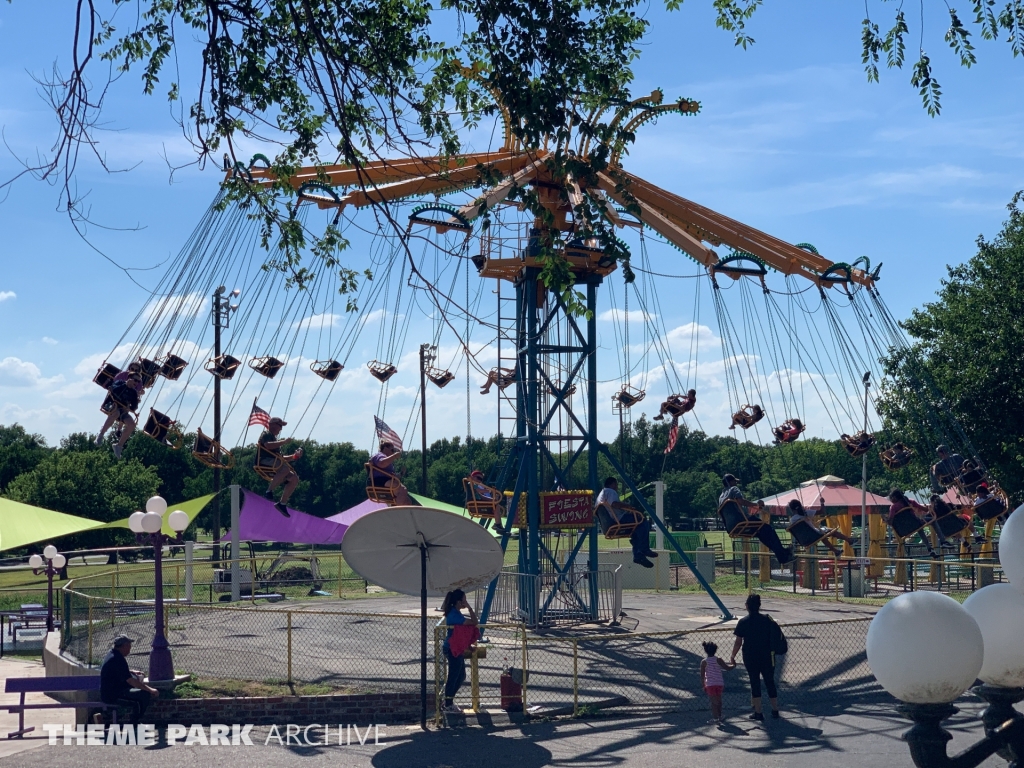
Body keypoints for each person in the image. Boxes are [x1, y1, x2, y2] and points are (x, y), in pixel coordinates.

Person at [719, 474, 794, 565]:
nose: (736, 484)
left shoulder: (721, 497)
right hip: (741, 521)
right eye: (734, 482)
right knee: (769, 529)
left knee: (761, 533)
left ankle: (783, 555)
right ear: (730, 482)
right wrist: (756, 505)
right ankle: (783, 556)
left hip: (731, 527)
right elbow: (740, 501)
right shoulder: (734, 489)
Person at [730, 594, 780, 722]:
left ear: (747, 606)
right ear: (759, 606)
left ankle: (758, 711)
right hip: (767, 655)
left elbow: (738, 642)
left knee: (754, 682)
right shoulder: (767, 620)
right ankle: (775, 709)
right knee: (769, 681)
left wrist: (733, 655)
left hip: (750, 656)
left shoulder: (743, 622)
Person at [596, 477, 657, 568]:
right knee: (642, 521)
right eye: (616, 485)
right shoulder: (610, 491)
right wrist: (628, 506)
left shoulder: (601, 495)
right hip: (618, 519)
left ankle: (638, 556)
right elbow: (614, 504)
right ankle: (644, 549)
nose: (617, 487)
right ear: (612, 484)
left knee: (636, 528)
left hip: (611, 521)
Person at [99, 635, 158, 725]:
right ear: (124, 646)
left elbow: (117, 670)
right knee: (144, 695)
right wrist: (150, 690)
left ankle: (134, 723)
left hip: (111, 692)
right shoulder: (117, 659)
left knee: (137, 699)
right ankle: (134, 724)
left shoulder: (112, 654)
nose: (130, 649)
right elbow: (131, 681)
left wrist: (131, 671)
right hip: (113, 695)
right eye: (129, 646)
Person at [440, 589, 478, 714]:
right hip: (451, 648)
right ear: (458, 601)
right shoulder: (454, 614)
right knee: (454, 676)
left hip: (456, 647)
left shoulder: (456, 613)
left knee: (461, 676)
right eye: (464, 600)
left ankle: (448, 700)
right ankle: (448, 703)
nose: (465, 602)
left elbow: (460, 634)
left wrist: (467, 645)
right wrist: (469, 608)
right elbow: (474, 622)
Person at [257, 416, 302, 517]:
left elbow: (281, 458)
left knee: (294, 478)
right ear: (273, 425)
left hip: (275, 463)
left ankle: (282, 504)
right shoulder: (266, 434)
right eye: (280, 426)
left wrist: (294, 456)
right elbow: (267, 445)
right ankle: (268, 492)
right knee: (285, 468)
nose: (281, 429)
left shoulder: (275, 440)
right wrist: (284, 442)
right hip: (264, 461)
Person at [95, 370, 145, 459]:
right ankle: (101, 435)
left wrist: (130, 407)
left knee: (131, 424)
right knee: (116, 413)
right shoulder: (120, 383)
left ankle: (119, 446)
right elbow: (113, 389)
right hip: (111, 405)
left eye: (138, 382)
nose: (136, 383)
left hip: (122, 410)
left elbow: (134, 407)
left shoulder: (133, 393)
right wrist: (125, 385)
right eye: (135, 380)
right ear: (130, 379)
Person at [787, 499, 854, 556]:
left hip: (805, 540)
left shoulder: (792, 520)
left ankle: (836, 551)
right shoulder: (806, 513)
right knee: (829, 531)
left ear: (791, 509)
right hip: (815, 534)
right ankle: (849, 540)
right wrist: (822, 502)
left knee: (821, 535)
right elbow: (822, 511)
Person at [887, 489, 937, 557]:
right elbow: (925, 510)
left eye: (891, 498)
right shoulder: (910, 502)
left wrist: (885, 519)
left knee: (919, 527)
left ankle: (929, 548)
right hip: (915, 524)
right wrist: (929, 507)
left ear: (894, 498)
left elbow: (890, 522)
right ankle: (942, 541)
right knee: (929, 521)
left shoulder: (893, 507)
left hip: (903, 531)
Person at [700, 640, 735, 725]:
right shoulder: (718, 660)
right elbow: (727, 668)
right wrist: (733, 664)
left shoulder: (704, 662)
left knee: (713, 702)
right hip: (719, 683)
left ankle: (715, 718)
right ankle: (720, 715)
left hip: (710, 684)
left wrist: (703, 685)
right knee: (719, 700)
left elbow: (702, 676)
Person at [369, 441, 414, 506]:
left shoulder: (386, 460)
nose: (393, 452)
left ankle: (399, 512)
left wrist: (401, 473)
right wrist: (394, 456)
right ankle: (396, 511)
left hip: (387, 481)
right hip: (380, 481)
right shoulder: (380, 455)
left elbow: (392, 476)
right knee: (403, 490)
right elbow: (381, 463)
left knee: (407, 501)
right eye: (392, 450)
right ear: (385, 448)